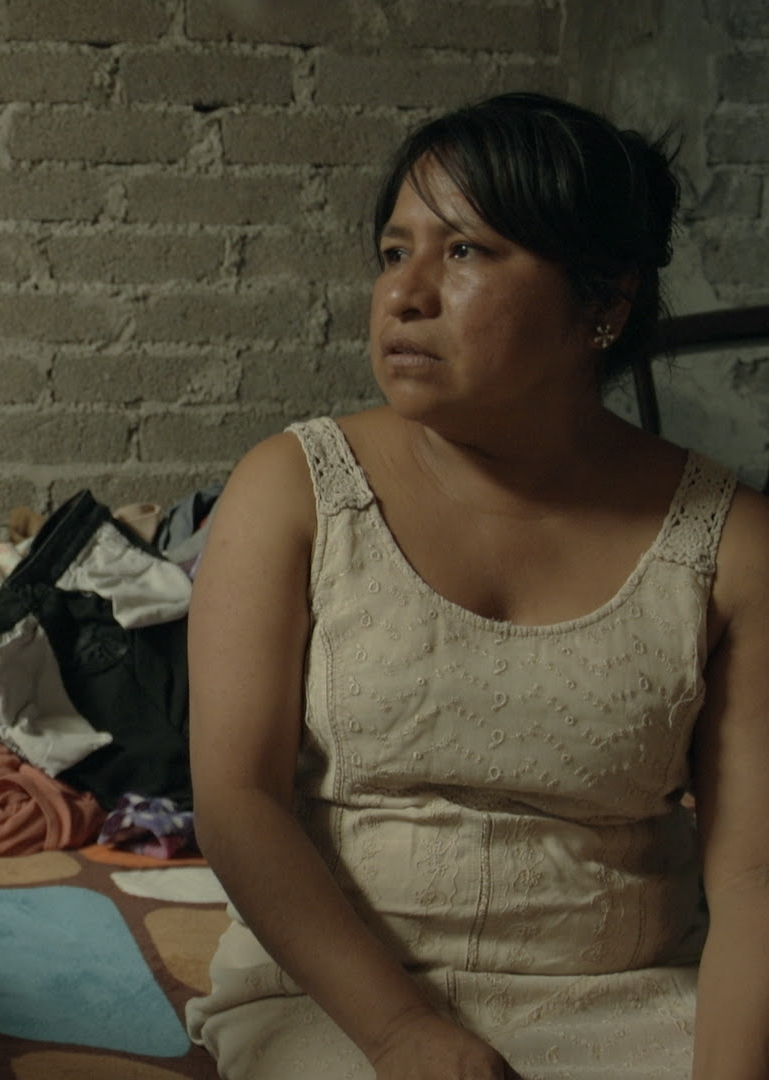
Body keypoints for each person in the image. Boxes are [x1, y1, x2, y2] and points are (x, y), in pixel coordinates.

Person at [182, 92, 769, 1078]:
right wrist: (402, 1036)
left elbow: (753, 876)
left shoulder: (729, 544)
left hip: (633, 998)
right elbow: (238, 801)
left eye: (463, 251)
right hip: (341, 997)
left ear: (604, 301)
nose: (404, 294)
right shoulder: (294, 489)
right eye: (393, 252)